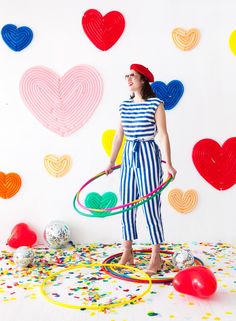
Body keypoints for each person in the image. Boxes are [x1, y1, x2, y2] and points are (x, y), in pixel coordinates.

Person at [105, 64, 177, 276]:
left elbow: (163, 135)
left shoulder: (156, 103)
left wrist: (169, 164)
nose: (128, 79)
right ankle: (128, 252)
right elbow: (119, 136)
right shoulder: (124, 106)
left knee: (150, 205)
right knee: (127, 203)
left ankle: (156, 256)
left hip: (147, 153)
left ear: (143, 80)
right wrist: (110, 162)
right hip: (129, 155)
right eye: (126, 76)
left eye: (132, 76)